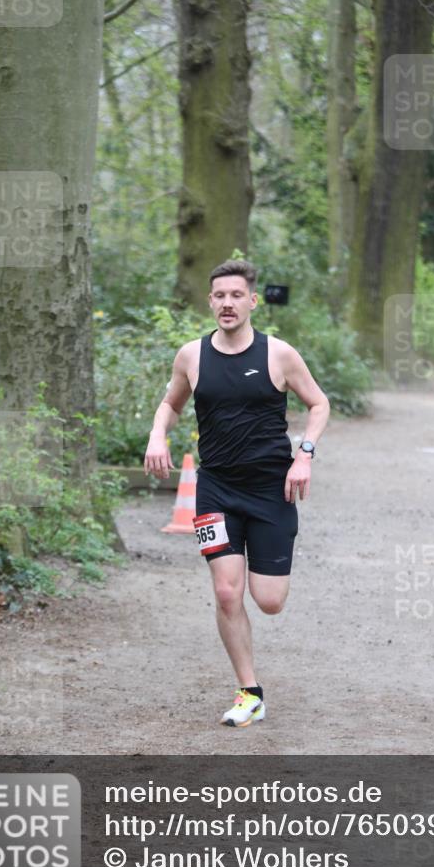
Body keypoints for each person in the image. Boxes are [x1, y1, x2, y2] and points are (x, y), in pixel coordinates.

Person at [144, 259, 330, 726]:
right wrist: (157, 435)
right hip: (216, 490)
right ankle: (250, 692)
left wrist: (304, 455)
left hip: (270, 491)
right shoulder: (191, 356)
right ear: (210, 302)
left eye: (236, 296)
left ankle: (267, 575)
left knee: (269, 600)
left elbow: (319, 403)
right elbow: (170, 403)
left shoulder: (278, 355)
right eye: (220, 296)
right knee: (227, 592)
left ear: (252, 301)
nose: (227, 303)